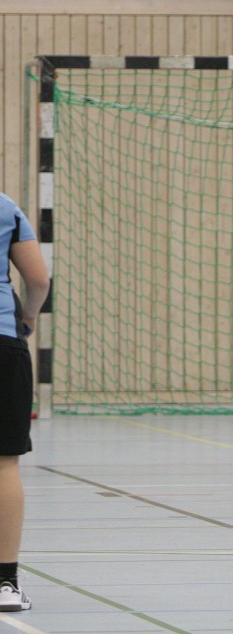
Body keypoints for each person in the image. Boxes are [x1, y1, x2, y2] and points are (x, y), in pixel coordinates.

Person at [0, 193, 51, 612]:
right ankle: (4, 583)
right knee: (3, 463)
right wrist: (28, 317)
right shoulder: (3, 206)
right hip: (2, 342)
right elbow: (38, 279)